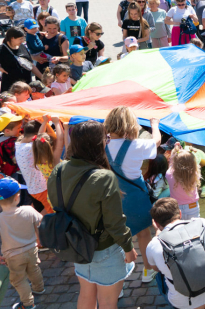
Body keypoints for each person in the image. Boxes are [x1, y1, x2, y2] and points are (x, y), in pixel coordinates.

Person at [47, 121, 137, 309]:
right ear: (99, 143)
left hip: (76, 245)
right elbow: (115, 223)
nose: (107, 141)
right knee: (107, 302)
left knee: (86, 295)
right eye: (107, 138)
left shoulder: (58, 170)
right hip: (104, 249)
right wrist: (128, 247)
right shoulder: (103, 177)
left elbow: (55, 204)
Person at [104, 106, 161, 283]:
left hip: (112, 197)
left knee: (118, 238)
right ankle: (148, 270)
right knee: (144, 234)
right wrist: (154, 124)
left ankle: (117, 282)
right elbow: (156, 142)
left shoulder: (102, 145)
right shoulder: (136, 145)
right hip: (136, 197)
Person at [146, 198, 205, 309]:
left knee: (159, 276)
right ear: (180, 213)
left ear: (155, 223)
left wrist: (157, 235)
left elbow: (155, 268)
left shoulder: (154, 244)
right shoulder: (202, 223)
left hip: (185, 303)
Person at [0, 176, 45, 309]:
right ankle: (39, 288)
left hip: (12, 256)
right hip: (32, 249)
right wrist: (39, 238)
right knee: (34, 269)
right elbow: (41, 222)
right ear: (17, 197)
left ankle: (28, 303)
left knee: (19, 280)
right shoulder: (28, 210)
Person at [0, 27, 41, 92]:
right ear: (12, 38)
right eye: (20, 39)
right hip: (10, 86)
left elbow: (31, 65)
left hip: (26, 84)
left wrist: (42, 77)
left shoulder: (23, 47)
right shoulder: (2, 49)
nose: (22, 41)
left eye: (23, 38)